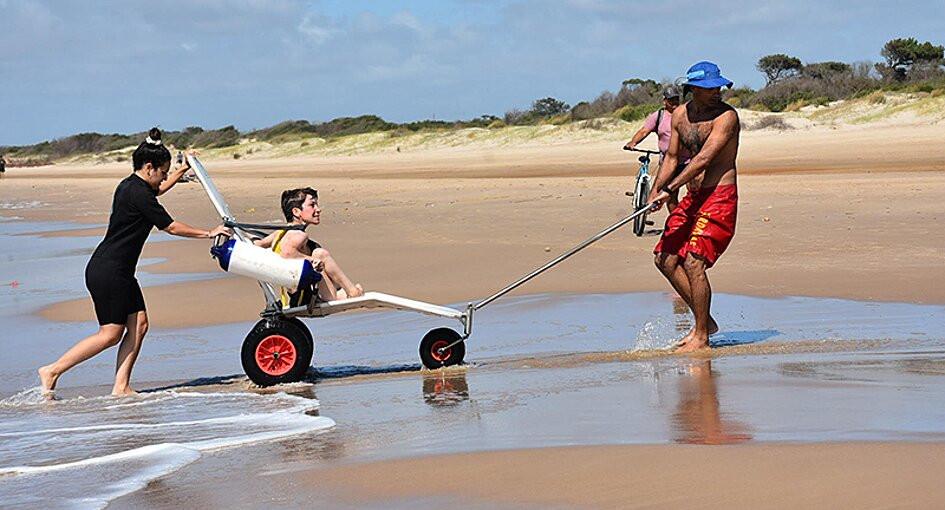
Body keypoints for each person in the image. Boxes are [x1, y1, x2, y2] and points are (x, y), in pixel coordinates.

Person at [38, 128, 230, 396]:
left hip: (117, 270)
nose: (164, 177)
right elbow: (171, 227)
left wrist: (181, 169)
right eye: (163, 172)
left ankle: (121, 386)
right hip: (110, 271)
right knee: (110, 334)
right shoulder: (139, 194)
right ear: (149, 167)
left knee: (139, 324)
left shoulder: (132, 185)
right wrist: (209, 232)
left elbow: (158, 190)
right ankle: (52, 370)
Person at [647, 61, 740, 353]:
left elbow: (703, 160)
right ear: (694, 89)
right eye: (710, 88)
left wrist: (670, 189)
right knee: (664, 257)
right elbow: (673, 158)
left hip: (719, 196)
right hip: (694, 195)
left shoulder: (727, 117)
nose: (717, 93)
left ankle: (701, 336)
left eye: (719, 88)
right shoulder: (680, 116)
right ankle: (706, 322)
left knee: (693, 261)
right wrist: (655, 192)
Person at [254, 187, 363, 304]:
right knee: (320, 254)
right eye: (312, 205)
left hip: (293, 295)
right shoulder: (299, 235)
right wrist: (312, 260)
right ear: (296, 212)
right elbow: (286, 254)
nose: (318, 209)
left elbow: (258, 244)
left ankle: (348, 291)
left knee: (317, 255)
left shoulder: (279, 233)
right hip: (305, 296)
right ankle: (352, 291)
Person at [623, 85, 694, 210]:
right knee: (671, 195)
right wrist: (633, 142)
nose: (674, 103)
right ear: (664, 100)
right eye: (671, 100)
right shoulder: (659, 116)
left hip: (687, 160)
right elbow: (644, 131)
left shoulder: (686, 113)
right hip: (668, 162)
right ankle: (676, 223)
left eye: (676, 99)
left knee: (694, 190)